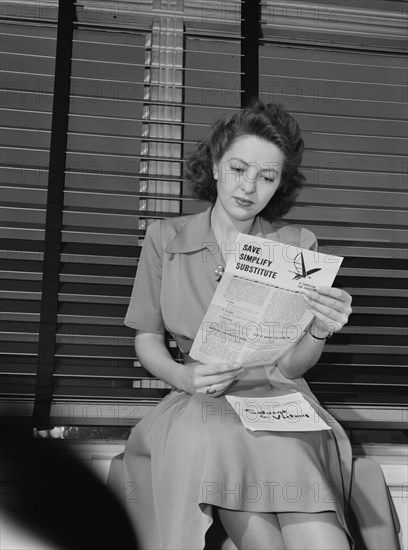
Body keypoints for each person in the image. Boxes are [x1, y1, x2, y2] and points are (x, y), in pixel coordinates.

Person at [123, 99, 354, 550]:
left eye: (266, 177)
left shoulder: (298, 244)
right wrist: (183, 376)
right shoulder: (164, 239)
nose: (249, 186)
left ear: (279, 185)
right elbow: (147, 338)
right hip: (201, 398)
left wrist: (320, 328)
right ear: (214, 165)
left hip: (277, 398)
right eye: (238, 168)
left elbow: (292, 367)